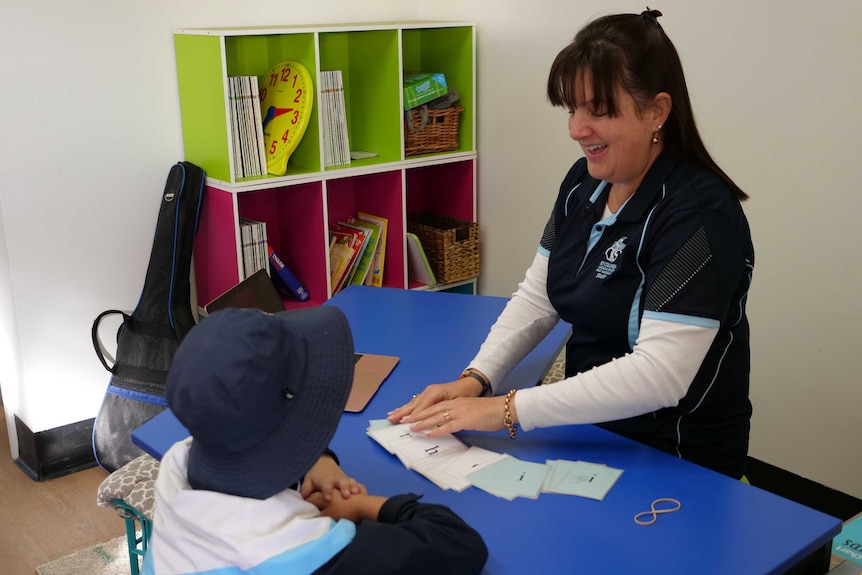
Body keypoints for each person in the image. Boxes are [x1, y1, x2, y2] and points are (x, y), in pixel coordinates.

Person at [389, 8, 754, 480]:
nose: (576, 129)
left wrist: (505, 410)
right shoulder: (586, 183)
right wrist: (477, 379)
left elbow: (659, 376)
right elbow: (539, 295)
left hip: (675, 457)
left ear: (657, 112)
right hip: (591, 429)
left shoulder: (699, 218)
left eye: (598, 111)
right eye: (572, 109)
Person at [142, 306, 488, 575]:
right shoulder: (307, 553)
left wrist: (317, 460)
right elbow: (459, 544)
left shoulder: (179, 465)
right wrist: (356, 508)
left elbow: (253, 439)